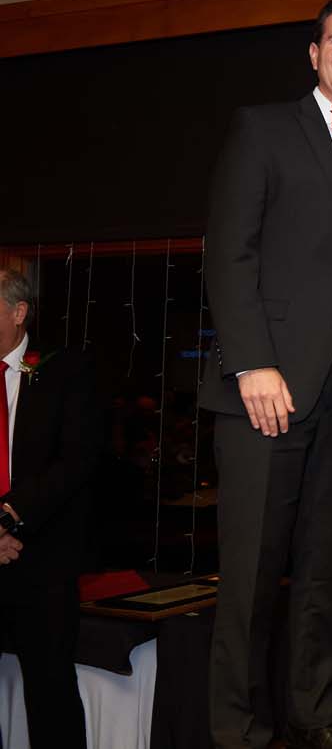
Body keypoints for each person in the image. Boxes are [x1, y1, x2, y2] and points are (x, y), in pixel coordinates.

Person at [201, 0, 332, 749]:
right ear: (315, 54)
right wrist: (252, 361)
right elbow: (230, 253)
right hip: (269, 388)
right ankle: (238, 732)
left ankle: (313, 719)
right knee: (252, 578)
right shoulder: (262, 129)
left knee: (324, 576)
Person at [0, 268, 101, 749]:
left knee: (50, 693)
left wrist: (10, 516)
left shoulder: (65, 369)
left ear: (18, 313)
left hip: (40, 559)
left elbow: (78, 460)